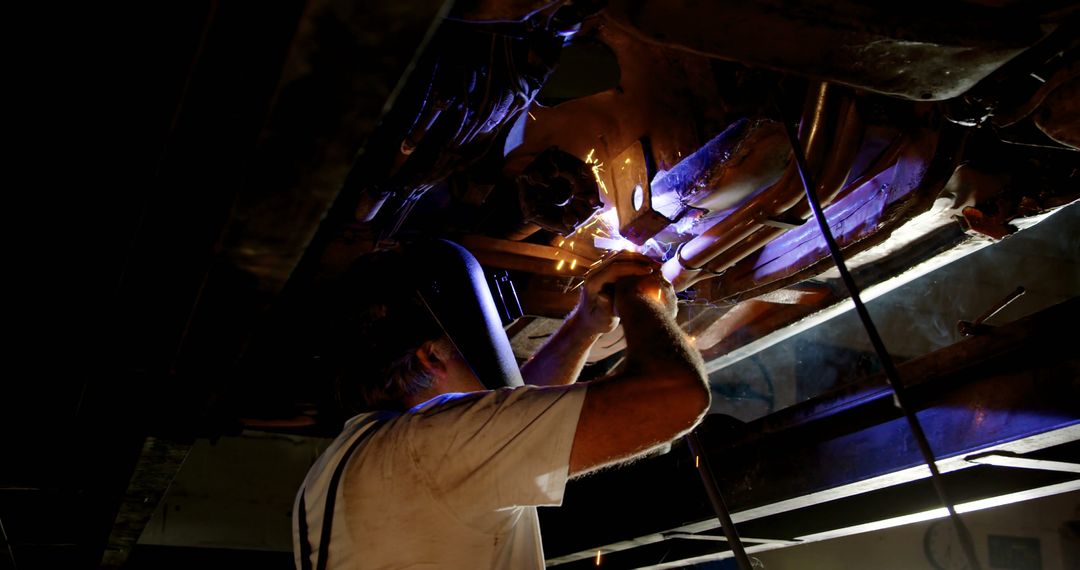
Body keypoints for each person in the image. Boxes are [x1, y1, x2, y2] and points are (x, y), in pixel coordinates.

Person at [293, 246, 709, 569]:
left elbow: (509, 411)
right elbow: (674, 395)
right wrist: (642, 302)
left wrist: (586, 324)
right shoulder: (431, 446)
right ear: (432, 358)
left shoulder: (357, 460)